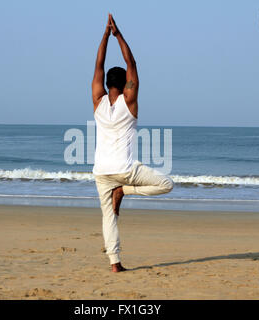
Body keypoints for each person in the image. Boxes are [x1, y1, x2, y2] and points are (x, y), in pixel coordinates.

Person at [91, 14, 174, 272]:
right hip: (125, 169)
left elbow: (98, 65)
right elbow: (132, 63)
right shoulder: (130, 102)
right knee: (166, 184)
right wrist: (118, 35)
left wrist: (104, 36)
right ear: (126, 85)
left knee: (108, 217)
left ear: (106, 85)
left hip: (101, 171)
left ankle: (115, 264)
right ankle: (124, 191)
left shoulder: (97, 102)